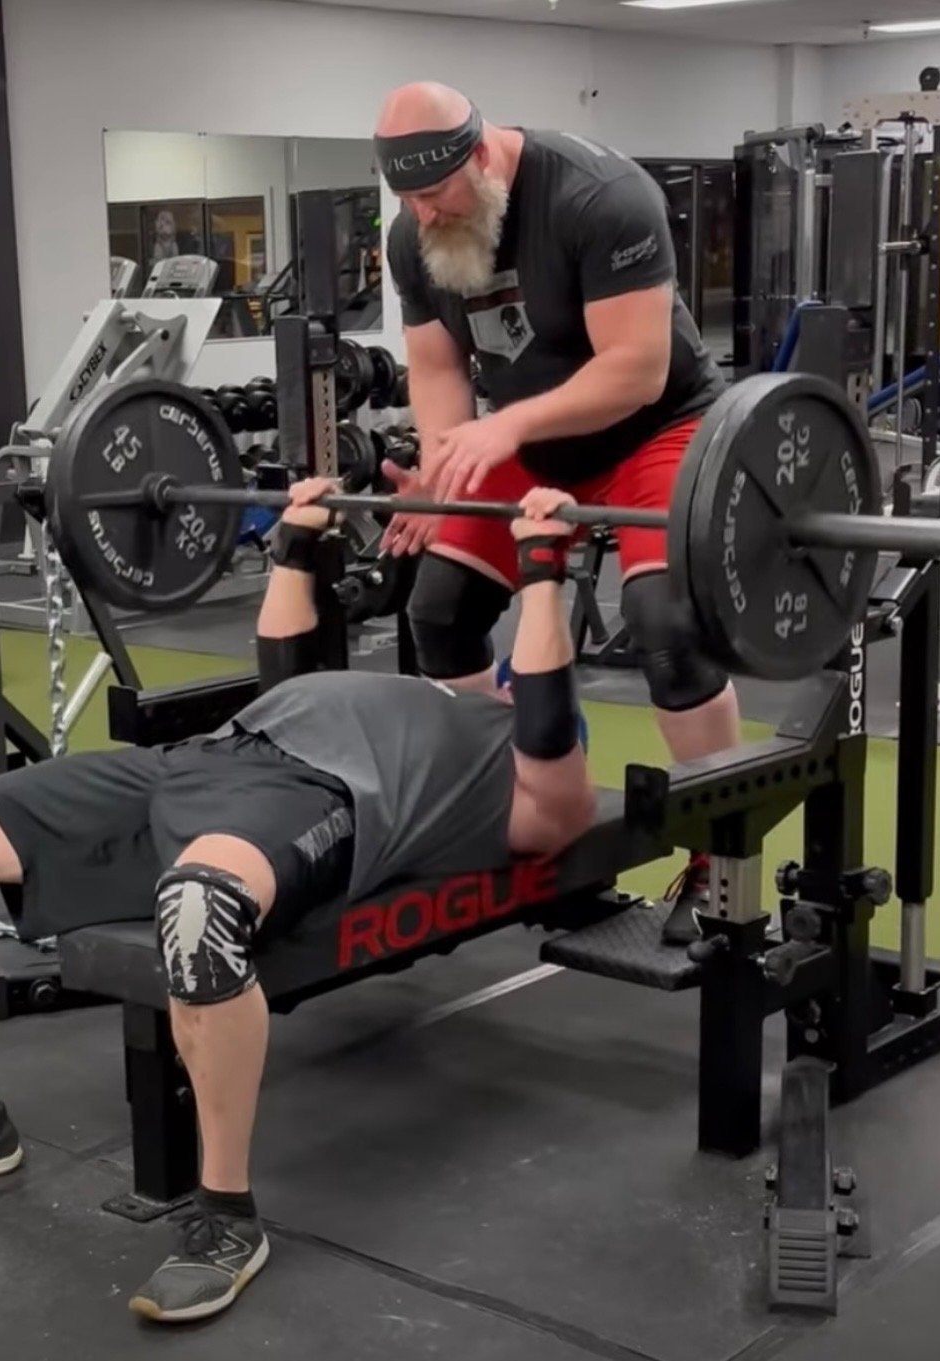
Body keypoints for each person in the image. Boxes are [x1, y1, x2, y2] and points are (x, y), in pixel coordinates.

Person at [0, 480, 597, 1327]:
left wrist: (541, 576)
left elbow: (547, 736)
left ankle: (225, 1215)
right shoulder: (403, 689)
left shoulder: (519, 766)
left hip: (315, 797)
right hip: (202, 759)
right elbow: (284, 661)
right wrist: (296, 545)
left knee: (200, 913)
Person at [373, 82, 739, 943]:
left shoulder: (598, 197)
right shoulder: (413, 234)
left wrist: (497, 429)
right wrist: (445, 468)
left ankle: (719, 853)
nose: (422, 214)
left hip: (658, 426)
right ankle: (530, 795)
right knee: (440, 613)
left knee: (666, 626)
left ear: (482, 154)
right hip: (528, 439)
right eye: (407, 200)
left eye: (434, 194)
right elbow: (433, 369)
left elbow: (636, 369)